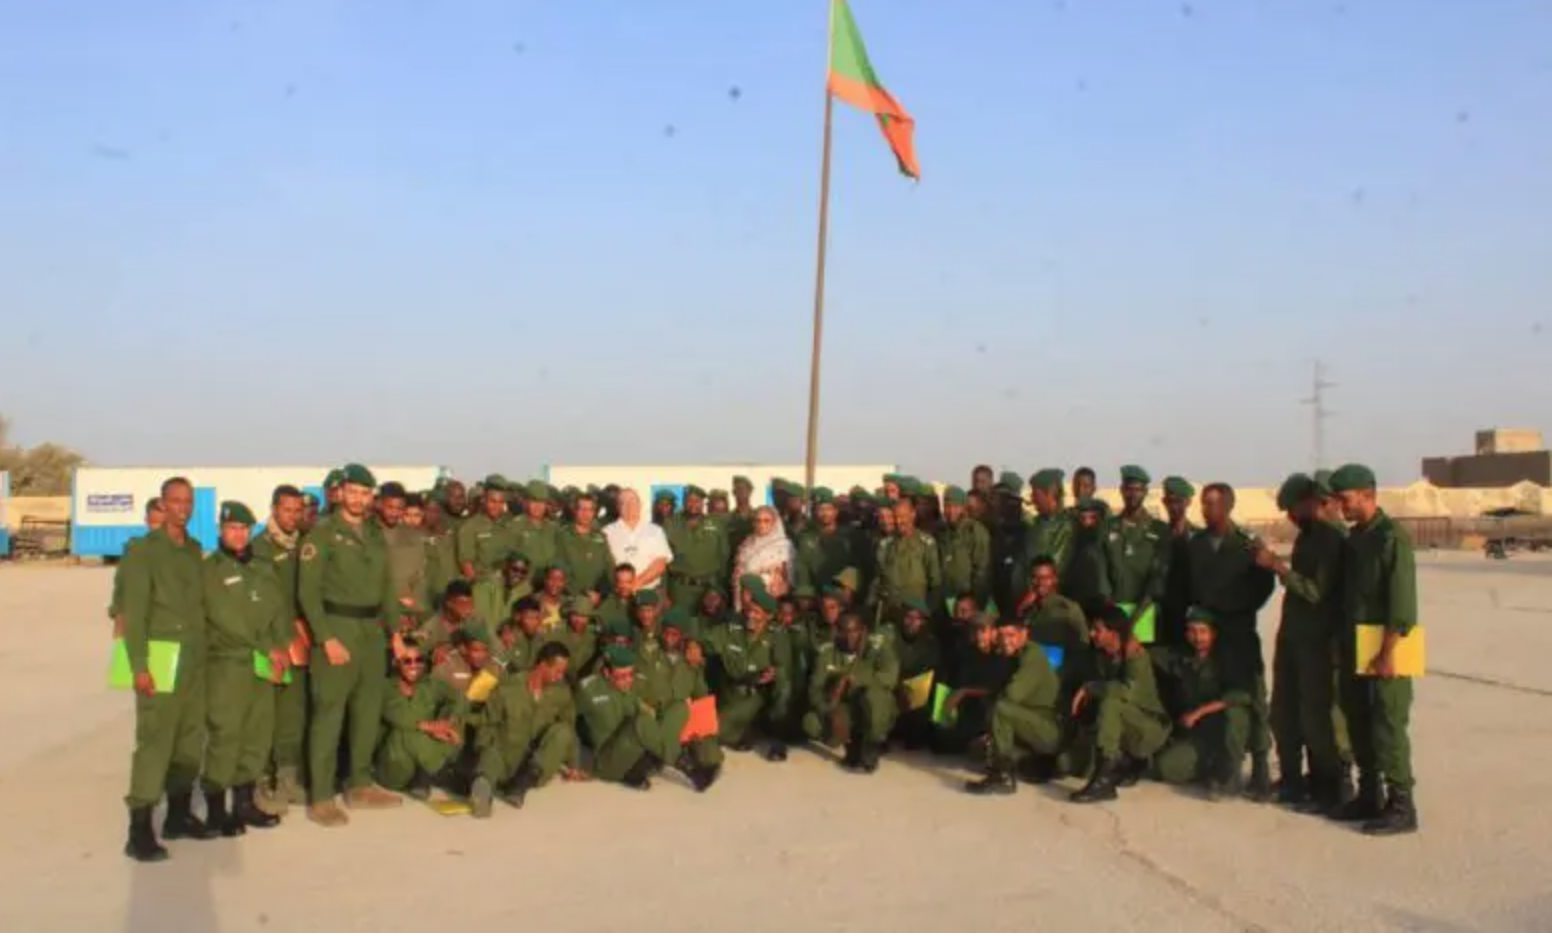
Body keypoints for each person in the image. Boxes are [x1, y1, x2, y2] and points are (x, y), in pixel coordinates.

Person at [298, 463, 402, 826]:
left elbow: (387, 588)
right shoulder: (322, 533)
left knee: (367, 711)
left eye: (365, 493)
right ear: (341, 493)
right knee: (329, 714)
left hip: (371, 630)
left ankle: (360, 783)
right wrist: (325, 638)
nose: (359, 499)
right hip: (337, 627)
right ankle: (322, 796)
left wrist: (396, 634)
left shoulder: (374, 534)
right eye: (353, 492)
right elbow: (307, 593)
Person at [121, 477, 212, 862]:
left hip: (194, 655)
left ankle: (177, 815)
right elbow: (134, 614)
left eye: (188, 501)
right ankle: (139, 828)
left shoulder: (193, 549)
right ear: (163, 503)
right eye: (175, 501)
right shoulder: (144, 551)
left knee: (191, 740)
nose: (183, 508)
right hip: (159, 651)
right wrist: (138, 666)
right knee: (155, 741)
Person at [1329, 463, 1419, 835]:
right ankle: (1370, 794)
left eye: (1345, 499)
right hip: (1357, 638)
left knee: (1388, 721)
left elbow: (1401, 603)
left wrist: (1387, 651)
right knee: (1358, 718)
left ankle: (1402, 804)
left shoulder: (1390, 538)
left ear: (1368, 494)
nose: (1340, 506)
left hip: (1392, 642)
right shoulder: (1357, 539)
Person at [1254, 473, 1351, 812]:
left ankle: (1332, 782)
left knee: (1318, 716)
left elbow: (1316, 592)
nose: (1290, 517)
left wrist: (1279, 568)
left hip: (1317, 641)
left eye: (1293, 508)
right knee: (1284, 711)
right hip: (1294, 635)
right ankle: (1295, 779)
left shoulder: (1331, 538)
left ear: (1312, 501)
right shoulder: (1308, 537)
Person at [201, 501, 289, 837]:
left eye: (243, 528)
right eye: (231, 528)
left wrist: (280, 645)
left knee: (257, 734)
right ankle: (215, 809)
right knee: (226, 735)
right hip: (228, 663)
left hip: (263, 663)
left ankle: (243, 803)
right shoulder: (211, 571)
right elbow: (228, 620)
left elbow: (278, 609)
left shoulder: (264, 567)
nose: (238, 534)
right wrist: (268, 647)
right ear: (221, 531)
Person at [1187, 483, 1277, 799]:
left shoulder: (1245, 545)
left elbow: (1264, 584)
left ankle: (1262, 767)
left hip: (1238, 631)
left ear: (1228, 505)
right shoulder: (1196, 544)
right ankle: (1224, 766)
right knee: (1216, 696)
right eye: (1203, 503)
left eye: (1212, 504)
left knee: (1252, 696)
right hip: (1206, 635)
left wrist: (1236, 605)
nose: (1206, 509)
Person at [1067, 604, 1171, 804]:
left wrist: (1090, 688)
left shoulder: (1135, 655)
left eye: (1098, 630)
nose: (1092, 634)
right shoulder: (1100, 655)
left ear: (1114, 633)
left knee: (1110, 703)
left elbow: (1126, 690)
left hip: (1147, 728)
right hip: (1119, 727)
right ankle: (1126, 762)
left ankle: (1103, 783)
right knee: (1072, 765)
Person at [470, 641, 580, 816]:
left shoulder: (562, 693)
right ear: (543, 665)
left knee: (562, 731)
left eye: (563, 673)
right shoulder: (508, 688)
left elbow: (569, 729)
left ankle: (520, 786)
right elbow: (487, 724)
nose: (560, 677)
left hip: (535, 765)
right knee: (490, 756)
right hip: (506, 756)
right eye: (557, 671)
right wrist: (481, 754)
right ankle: (483, 790)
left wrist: (574, 764)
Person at [1153, 607, 1252, 799]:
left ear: (1213, 633)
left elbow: (1241, 695)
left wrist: (1199, 712)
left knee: (1236, 713)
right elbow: (1152, 654)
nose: (1198, 638)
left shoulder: (1226, 659)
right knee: (1166, 768)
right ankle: (1210, 767)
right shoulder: (1182, 658)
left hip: (1226, 732)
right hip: (1200, 735)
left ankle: (1229, 774)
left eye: (1203, 631)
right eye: (1192, 631)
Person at [251, 485, 308, 815]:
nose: (293, 516)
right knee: (264, 714)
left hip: (298, 637)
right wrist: (270, 641)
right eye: (287, 510)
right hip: (269, 638)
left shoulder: (304, 545)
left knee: (292, 713)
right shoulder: (259, 547)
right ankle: (259, 779)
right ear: (274, 509)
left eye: (297, 510)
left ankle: (288, 778)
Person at [965, 619, 1065, 794]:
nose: (1005, 640)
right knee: (979, 749)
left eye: (1011, 635)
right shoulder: (1013, 656)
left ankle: (1003, 776)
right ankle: (1034, 763)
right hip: (1029, 726)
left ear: (1024, 634)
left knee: (1001, 708)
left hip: (1048, 729)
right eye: (1002, 635)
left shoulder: (1033, 656)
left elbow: (1012, 695)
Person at [805, 613, 900, 772]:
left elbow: (890, 677)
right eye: (844, 631)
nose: (849, 637)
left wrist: (858, 679)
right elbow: (815, 689)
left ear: (863, 631)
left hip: (873, 705)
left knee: (874, 697)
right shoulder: (827, 652)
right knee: (811, 722)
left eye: (854, 631)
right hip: (844, 706)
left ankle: (871, 747)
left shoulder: (878, 647)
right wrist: (829, 711)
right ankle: (852, 747)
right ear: (836, 631)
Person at [376, 639, 466, 799]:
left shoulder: (429, 684)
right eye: (407, 661)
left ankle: (423, 778)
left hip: (420, 758)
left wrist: (448, 722)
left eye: (419, 660)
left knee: (452, 714)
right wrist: (432, 728)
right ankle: (442, 773)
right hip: (394, 765)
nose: (414, 665)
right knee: (404, 733)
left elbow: (459, 698)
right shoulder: (385, 687)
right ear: (396, 663)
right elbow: (402, 717)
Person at [711, 588, 793, 761]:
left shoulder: (777, 634)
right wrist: (694, 648)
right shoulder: (733, 628)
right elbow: (707, 640)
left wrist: (774, 673)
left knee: (784, 684)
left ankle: (777, 738)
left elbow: (783, 665)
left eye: (756, 612)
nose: (750, 616)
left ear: (769, 616)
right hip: (735, 692)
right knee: (716, 732)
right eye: (748, 610)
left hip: (760, 693)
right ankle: (748, 730)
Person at [575, 645, 673, 790]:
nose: (628, 680)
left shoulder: (636, 685)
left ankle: (637, 770)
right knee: (642, 722)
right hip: (606, 761)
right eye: (621, 676)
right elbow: (569, 721)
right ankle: (678, 760)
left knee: (673, 712)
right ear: (607, 672)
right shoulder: (588, 689)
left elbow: (656, 709)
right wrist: (574, 764)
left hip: (631, 748)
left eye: (630, 674)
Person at [1103, 466, 1170, 639]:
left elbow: (1158, 578)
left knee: (1142, 663)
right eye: (1129, 489)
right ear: (1121, 490)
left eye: (1138, 490)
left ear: (1145, 492)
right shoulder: (1108, 527)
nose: (1132, 495)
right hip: (1113, 613)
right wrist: (1110, 609)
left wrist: (1136, 616)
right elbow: (1101, 571)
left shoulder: (1159, 530)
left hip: (1146, 614)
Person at [933, 616, 1013, 756]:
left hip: (986, 708)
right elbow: (957, 681)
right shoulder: (967, 652)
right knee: (938, 741)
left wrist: (965, 691)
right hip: (966, 707)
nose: (979, 635)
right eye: (975, 631)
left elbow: (996, 689)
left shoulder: (1000, 655)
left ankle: (985, 740)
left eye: (983, 631)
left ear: (993, 632)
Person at [869, 499, 942, 625]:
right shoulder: (885, 544)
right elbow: (877, 579)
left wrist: (926, 612)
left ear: (913, 515)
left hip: (915, 615)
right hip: (890, 612)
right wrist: (871, 604)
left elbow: (935, 583)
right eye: (895, 517)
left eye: (902, 517)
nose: (898, 521)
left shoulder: (926, 543)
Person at [666, 485, 729, 615]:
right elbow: (662, 559)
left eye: (697, 501)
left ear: (703, 503)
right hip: (680, 589)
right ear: (683, 502)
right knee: (681, 629)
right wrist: (665, 591)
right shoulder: (671, 524)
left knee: (705, 630)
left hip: (708, 589)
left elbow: (724, 557)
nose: (693, 504)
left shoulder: (716, 524)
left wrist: (719, 589)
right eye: (689, 500)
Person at [459, 482, 514, 627]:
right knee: (485, 630)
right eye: (493, 501)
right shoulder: (470, 527)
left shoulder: (509, 523)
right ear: (484, 500)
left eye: (501, 502)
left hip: (507, 586)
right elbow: (466, 564)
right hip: (482, 587)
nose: (497, 506)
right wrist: (477, 590)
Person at [109, 496, 165, 637]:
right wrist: (119, 628)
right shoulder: (134, 552)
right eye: (154, 523)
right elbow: (121, 592)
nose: (159, 528)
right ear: (146, 521)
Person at [377, 482, 430, 619]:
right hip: (376, 611)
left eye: (399, 508)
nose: (394, 513)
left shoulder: (413, 537)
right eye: (390, 507)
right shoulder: (367, 533)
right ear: (379, 504)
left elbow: (419, 576)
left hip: (407, 612)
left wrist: (414, 605)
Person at [604, 489, 673, 594]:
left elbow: (660, 563)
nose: (629, 506)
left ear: (640, 504)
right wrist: (624, 587)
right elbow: (604, 565)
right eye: (624, 503)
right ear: (618, 507)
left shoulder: (655, 531)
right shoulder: (606, 532)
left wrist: (636, 584)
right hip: (618, 593)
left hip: (648, 594)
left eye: (633, 501)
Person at [892, 600, 940, 749]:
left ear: (923, 622)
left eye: (916, 618)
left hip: (916, 694)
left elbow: (928, 676)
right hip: (892, 689)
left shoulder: (931, 645)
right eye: (908, 617)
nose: (911, 622)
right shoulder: (891, 636)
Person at [795, 489, 862, 596]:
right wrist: (805, 593)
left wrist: (848, 589)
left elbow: (854, 565)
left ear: (836, 511)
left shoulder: (849, 536)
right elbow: (802, 567)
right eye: (821, 509)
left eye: (829, 509)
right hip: (814, 593)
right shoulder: (806, 537)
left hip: (840, 594)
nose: (825, 513)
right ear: (815, 511)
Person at [1158, 476, 1199, 648]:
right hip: (1159, 616)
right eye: (1169, 501)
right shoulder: (1156, 536)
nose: (1173, 507)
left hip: (1189, 618)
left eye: (1179, 501)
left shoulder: (1199, 538)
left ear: (1188, 502)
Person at [1017, 469, 1073, 591]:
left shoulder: (1067, 526)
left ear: (1050, 494)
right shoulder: (1034, 525)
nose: (1032, 498)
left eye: (1036, 494)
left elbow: (1056, 567)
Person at [938, 485, 992, 609]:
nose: (951, 511)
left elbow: (982, 573)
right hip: (946, 600)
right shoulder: (942, 532)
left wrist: (977, 602)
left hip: (968, 602)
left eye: (956, 507)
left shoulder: (976, 531)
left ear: (963, 507)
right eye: (947, 506)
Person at [555, 492, 612, 603]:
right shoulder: (562, 535)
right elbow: (559, 569)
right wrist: (581, 593)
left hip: (596, 599)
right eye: (582, 509)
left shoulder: (600, 537)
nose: (586, 514)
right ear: (575, 510)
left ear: (594, 512)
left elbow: (608, 568)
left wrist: (601, 593)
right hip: (570, 597)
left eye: (590, 510)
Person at [734, 506, 795, 608]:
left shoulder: (784, 545)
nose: (761, 525)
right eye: (758, 521)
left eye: (767, 521)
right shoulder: (746, 544)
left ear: (774, 523)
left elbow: (787, 580)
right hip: (745, 598)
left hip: (770, 597)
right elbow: (738, 573)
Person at [510, 481, 559, 587]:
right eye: (534, 501)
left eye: (542, 502)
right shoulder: (515, 525)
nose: (538, 506)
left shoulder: (554, 528)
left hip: (550, 586)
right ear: (526, 502)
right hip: (525, 585)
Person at [1063, 498, 1111, 607]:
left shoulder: (1104, 546)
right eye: (1082, 518)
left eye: (1092, 518)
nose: (1087, 523)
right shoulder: (1074, 544)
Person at [558, 596, 600, 683]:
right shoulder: (556, 633)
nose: (579, 620)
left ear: (589, 618)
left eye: (583, 616)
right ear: (569, 615)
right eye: (575, 615)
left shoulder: (595, 636)